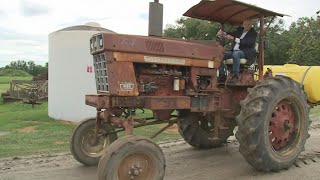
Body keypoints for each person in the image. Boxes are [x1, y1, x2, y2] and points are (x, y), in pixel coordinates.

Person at [217, 19, 257, 83]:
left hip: (245, 52)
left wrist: (234, 39)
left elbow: (247, 42)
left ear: (251, 25)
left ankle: (235, 75)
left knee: (236, 54)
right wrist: (223, 33)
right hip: (234, 51)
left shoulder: (253, 33)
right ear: (243, 24)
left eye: (249, 24)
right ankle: (222, 75)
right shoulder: (240, 30)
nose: (247, 26)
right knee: (219, 55)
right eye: (245, 24)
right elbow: (231, 34)